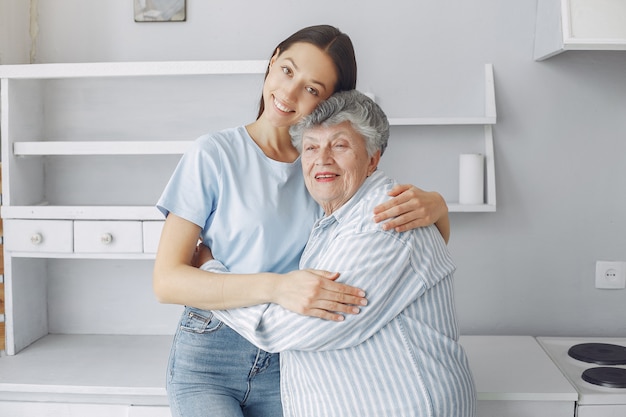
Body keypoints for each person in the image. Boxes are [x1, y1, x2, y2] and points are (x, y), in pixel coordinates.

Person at [153, 25, 450, 417]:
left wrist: (440, 209)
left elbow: (405, 246)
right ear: (273, 59)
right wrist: (278, 287)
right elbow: (168, 280)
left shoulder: (326, 168)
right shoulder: (213, 154)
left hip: (295, 359)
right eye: (288, 70)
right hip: (210, 354)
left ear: (332, 103)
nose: (289, 93)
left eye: (313, 89)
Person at [206, 90, 476, 417]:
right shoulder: (332, 223)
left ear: (373, 158)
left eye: (339, 145)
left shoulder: (384, 223)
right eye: (311, 147)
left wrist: (209, 276)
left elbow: (284, 328)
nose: (322, 159)